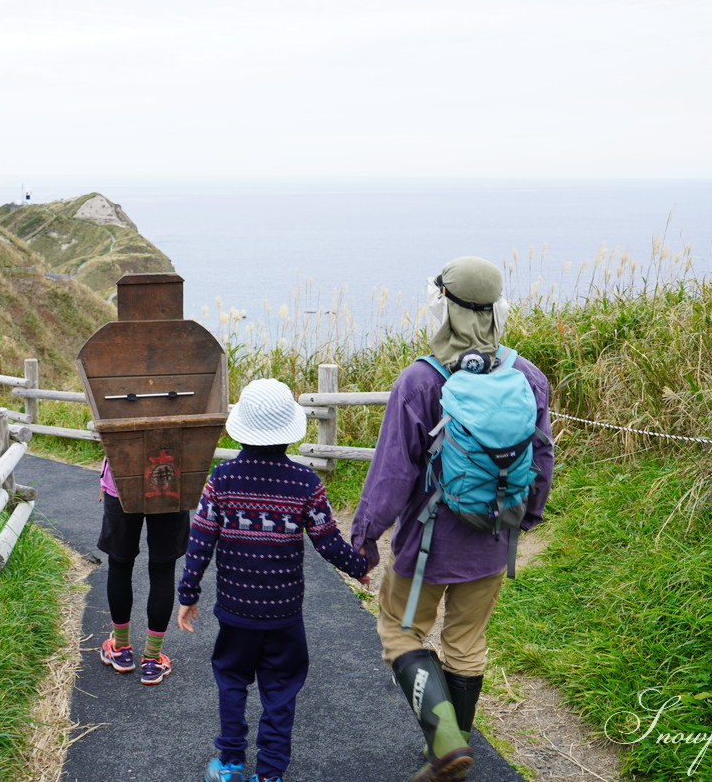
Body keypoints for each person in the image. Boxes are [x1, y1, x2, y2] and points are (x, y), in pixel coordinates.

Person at [351, 256, 554, 782]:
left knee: (401, 634)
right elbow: (542, 456)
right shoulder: (526, 375)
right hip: (492, 539)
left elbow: (392, 472)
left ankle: (444, 746)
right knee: (466, 645)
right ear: (495, 309)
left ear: (443, 305)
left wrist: (366, 534)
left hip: (427, 545)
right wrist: (524, 517)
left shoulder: (421, 380)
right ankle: (451, 748)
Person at [178, 378, 371, 782]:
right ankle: (269, 774)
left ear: (243, 429)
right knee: (280, 690)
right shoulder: (306, 484)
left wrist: (188, 593)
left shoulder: (222, 479)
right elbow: (328, 542)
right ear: (289, 432)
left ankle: (230, 763)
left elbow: (200, 540)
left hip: (235, 610)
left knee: (231, 680)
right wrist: (359, 566)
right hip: (283, 613)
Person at [96, 455, 189, 686]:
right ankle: (153, 659)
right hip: (172, 482)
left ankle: (120, 648)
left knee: (119, 564)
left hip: (121, 481)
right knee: (163, 569)